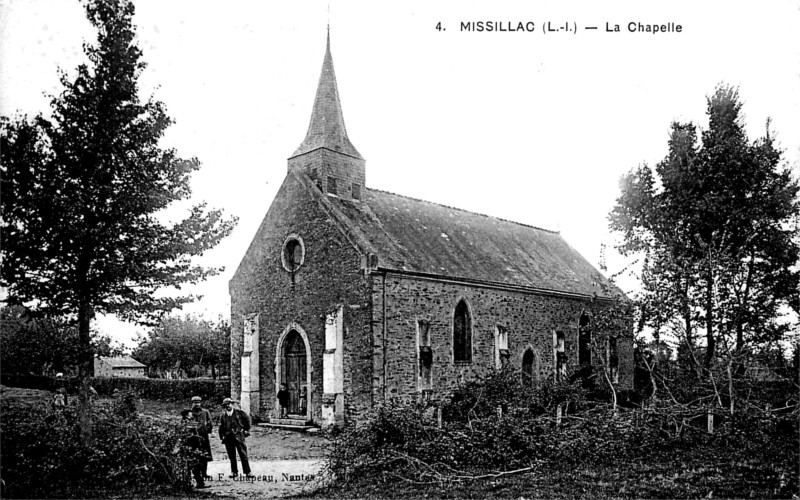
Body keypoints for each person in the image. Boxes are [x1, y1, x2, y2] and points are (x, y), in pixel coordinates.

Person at [218, 398, 252, 478]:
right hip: (228, 437)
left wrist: (246, 430)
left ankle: (248, 472)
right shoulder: (223, 415)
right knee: (231, 456)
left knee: (243, 454)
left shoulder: (239, 413)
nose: (228, 406)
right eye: (226, 405)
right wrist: (222, 436)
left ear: (232, 404)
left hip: (239, 436)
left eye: (229, 404)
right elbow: (221, 426)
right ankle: (234, 472)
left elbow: (247, 420)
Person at [180, 409, 210, 489]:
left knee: (191, 466)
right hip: (192, 447)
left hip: (190, 447)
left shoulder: (184, 423)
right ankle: (199, 484)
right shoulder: (188, 424)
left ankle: (189, 483)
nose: (192, 414)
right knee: (195, 465)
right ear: (187, 415)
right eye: (190, 414)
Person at [189, 396, 213, 480]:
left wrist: (207, 430)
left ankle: (204, 473)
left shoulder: (205, 412)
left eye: (198, 403)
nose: (197, 404)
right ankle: (195, 474)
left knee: (204, 454)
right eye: (195, 403)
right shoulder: (189, 413)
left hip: (203, 436)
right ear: (192, 403)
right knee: (194, 454)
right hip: (193, 437)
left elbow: (210, 423)